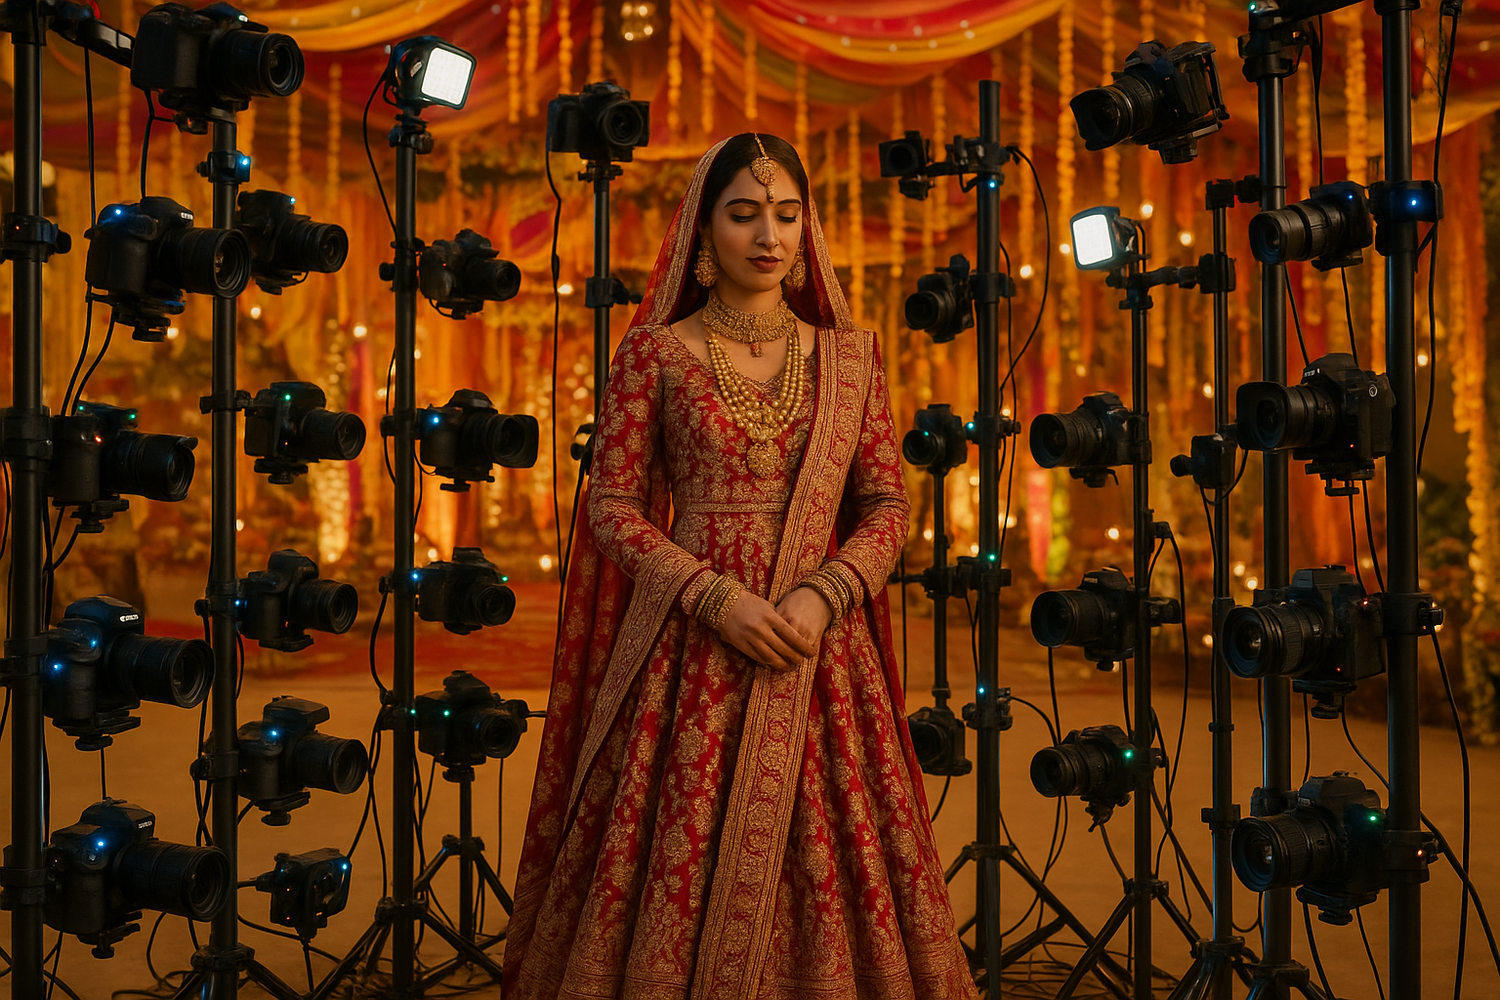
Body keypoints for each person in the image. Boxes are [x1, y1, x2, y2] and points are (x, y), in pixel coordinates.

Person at [504, 133, 976, 999]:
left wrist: (823, 594)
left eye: (788, 216)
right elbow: (611, 506)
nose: (769, 235)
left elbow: (886, 506)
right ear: (703, 228)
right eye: (745, 214)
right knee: (676, 846)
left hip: (816, 648)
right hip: (691, 651)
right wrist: (713, 596)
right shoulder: (655, 353)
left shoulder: (850, 358)